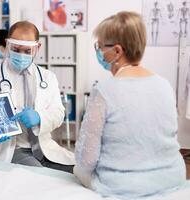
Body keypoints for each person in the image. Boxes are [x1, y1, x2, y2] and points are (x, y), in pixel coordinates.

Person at [74, 11, 186, 199]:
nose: (98, 52)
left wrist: (79, 168)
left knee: (78, 169)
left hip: (121, 185)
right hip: (172, 177)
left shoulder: (104, 90)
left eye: (99, 46)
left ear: (117, 51)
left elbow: (86, 159)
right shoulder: (164, 85)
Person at [0, 21, 75, 173]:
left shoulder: (48, 78)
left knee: (79, 171)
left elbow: (58, 113)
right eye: (16, 50)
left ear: (37, 48)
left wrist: (39, 117)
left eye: (27, 51)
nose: (21, 55)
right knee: (42, 177)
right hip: (10, 150)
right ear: (8, 45)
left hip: (44, 148)